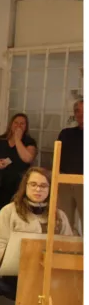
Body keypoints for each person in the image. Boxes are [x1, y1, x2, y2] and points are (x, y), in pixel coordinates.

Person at [0, 167, 73, 294]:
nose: (38, 189)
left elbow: (69, 248)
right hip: (18, 274)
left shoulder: (59, 216)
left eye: (43, 186)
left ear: (50, 189)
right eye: (33, 184)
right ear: (25, 186)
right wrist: (25, 264)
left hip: (50, 274)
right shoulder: (9, 211)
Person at [0, 113, 37, 215]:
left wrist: (17, 139)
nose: (18, 126)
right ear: (11, 124)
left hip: (18, 185)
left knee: (14, 213)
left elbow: (27, 158)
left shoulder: (29, 142)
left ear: (26, 127)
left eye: (22, 124)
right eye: (16, 123)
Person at [57, 99, 83, 235]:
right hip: (65, 181)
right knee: (64, 220)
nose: (81, 114)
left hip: (84, 182)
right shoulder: (66, 133)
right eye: (78, 111)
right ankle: (64, 252)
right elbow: (58, 157)